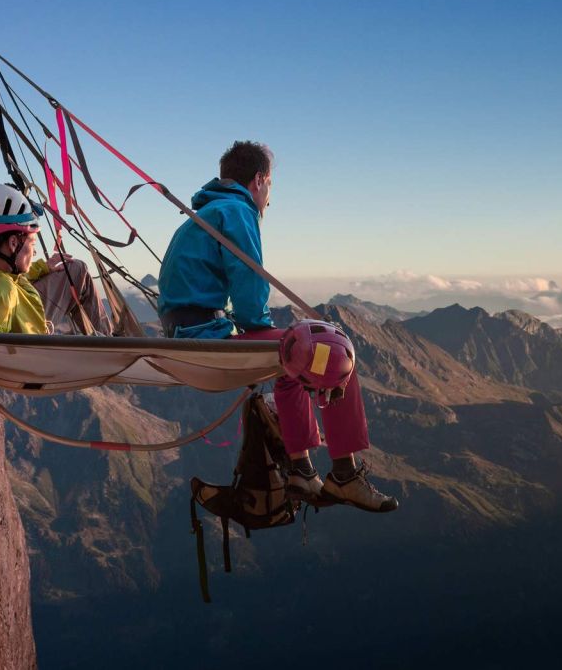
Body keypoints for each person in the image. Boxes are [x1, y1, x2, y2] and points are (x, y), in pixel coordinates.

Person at [158, 141, 397, 513]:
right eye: (270, 187)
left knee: (291, 365)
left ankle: (301, 469)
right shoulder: (238, 211)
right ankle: (345, 474)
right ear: (259, 180)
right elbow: (249, 288)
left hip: (187, 331)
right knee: (335, 351)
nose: (269, 199)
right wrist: (268, 331)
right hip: (204, 334)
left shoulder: (206, 212)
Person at [0, 182, 107, 335]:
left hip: (22, 311)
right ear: (13, 243)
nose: (34, 252)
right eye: (32, 243)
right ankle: (110, 348)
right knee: (78, 271)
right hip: (32, 338)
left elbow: (3, 278)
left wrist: (42, 267)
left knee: (76, 269)